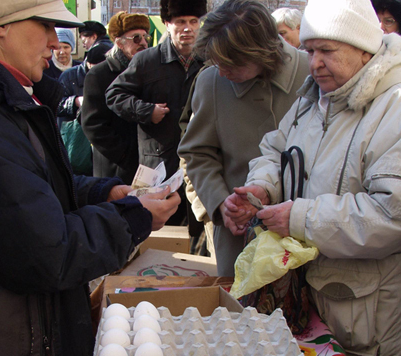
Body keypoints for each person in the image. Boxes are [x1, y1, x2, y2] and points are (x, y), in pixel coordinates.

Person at [0, 0, 180, 355]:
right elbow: (46, 250)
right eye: (44, 25)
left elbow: (31, 189)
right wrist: (133, 216)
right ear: (2, 27)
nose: (54, 40)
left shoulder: (6, 104)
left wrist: (102, 193)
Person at [224, 0, 401, 353]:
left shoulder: (393, 108)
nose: (315, 62)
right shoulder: (315, 98)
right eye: (309, 50)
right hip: (309, 299)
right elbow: (277, 149)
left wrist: (299, 218)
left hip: (363, 314)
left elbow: (391, 214)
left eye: (327, 50)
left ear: (365, 51)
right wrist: (262, 188)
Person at [177, 0, 309, 276]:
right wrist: (220, 203)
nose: (222, 71)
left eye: (231, 65)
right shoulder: (212, 82)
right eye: (217, 62)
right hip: (240, 236)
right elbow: (196, 155)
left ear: (261, 53)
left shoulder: (311, 74)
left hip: (305, 236)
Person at [106, 0, 207, 225]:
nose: (187, 28)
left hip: (199, 166)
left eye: (193, 22)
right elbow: (114, 95)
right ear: (167, 23)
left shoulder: (208, 61)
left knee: (198, 231)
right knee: (162, 235)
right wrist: (146, 110)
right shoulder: (147, 60)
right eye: (180, 22)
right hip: (160, 166)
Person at [81, 11, 151, 184]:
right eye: (136, 38)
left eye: (145, 37)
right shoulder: (99, 74)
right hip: (115, 170)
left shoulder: (150, 72)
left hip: (147, 167)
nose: (142, 43)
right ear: (119, 43)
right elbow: (93, 125)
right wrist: (126, 155)